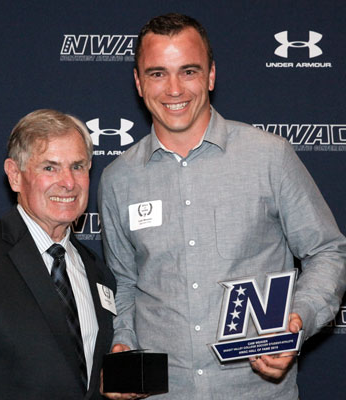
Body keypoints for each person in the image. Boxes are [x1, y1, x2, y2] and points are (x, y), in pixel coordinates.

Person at [98, 13, 346, 400]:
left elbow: (327, 252)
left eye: (189, 71)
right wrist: (124, 341)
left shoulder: (269, 157)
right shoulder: (117, 179)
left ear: (211, 76)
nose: (174, 89)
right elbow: (126, 284)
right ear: (139, 82)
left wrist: (298, 319)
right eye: (158, 73)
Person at [0, 109, 116, 399]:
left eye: (77, 166)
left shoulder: (98, 271)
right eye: (50, 167)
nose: (68, 182)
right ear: (15, 175)